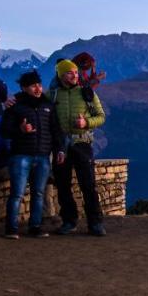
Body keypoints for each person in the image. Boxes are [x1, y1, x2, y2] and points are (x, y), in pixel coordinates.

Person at [1, 70, 62, 239]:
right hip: (21, 156)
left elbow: (55, 130)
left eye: (39, 85)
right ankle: (11, 229)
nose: (38, 88)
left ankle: (35, 227)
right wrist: (19, 130)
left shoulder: (48, 106)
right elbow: (4, 131)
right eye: (33, 85)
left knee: (39, 193)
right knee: (17, 194)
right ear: (24, 88)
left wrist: (60, 149)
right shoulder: (15, 106)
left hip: (43, 156)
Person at [50, 59, 107, 236]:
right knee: (62, 185)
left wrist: (86, 122)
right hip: (60, 146)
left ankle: (95, 223)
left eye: (75, 72)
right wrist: (11, 102)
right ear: (61, 75)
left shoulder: (86, 93)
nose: (74, 75)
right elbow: (34, 103)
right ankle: (69, 221)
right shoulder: (52, 95)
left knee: (88, 185)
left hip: (82, 143)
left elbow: (101, 116)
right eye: (70, 73)